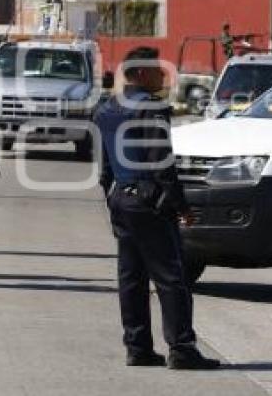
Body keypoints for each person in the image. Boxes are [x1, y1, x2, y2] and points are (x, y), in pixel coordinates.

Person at [93, 46, 220, 370]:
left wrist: (111, 196)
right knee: (171, 277)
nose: (163, 75)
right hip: (148, 201)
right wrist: (181, 205)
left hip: (121, 198)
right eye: (156, 69)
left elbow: (105, 165)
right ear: (138, 73)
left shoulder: (108, 108)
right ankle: (182, 349)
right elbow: (161, 163)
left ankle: (137, 347)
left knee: (131, 277)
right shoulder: (150, 108)